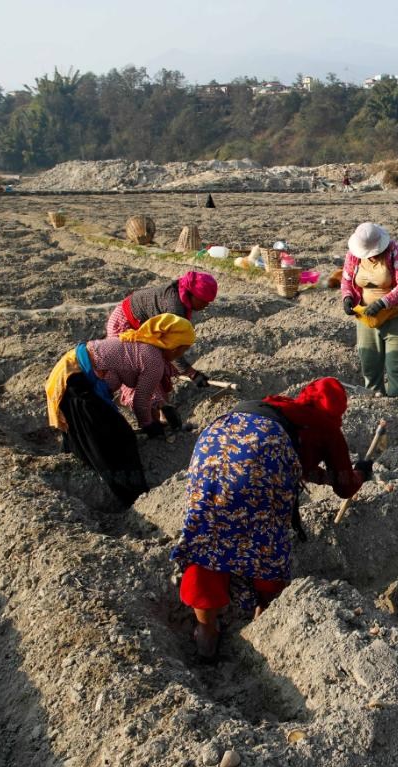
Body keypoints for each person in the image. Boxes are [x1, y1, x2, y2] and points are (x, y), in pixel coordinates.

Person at [170, 377, 372, 659]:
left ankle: (205, 629)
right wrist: (362, 472)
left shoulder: (279, 406)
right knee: (264, 539)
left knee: (209, 534)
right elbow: (345, 486)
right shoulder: (327, 425)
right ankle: (265, 612)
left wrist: (319, 476)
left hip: (214, 442)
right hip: (263, 456)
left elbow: (304, 465)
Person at [45, 314, 196, 506]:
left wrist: (159, 405)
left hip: (69, 369)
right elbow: (140, 401)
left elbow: (116, 380)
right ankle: (130, 496)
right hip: (73, 382)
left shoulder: (140, 344)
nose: (182, 355)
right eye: (184, 349)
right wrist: (150, 426)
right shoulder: (153, 360)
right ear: (174, 346)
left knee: (97, 425)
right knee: (120, 438)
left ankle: (81, 457)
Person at [106, 271, 218, 426]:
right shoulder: (174, 306)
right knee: (139, 371)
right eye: (204, 301)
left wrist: (189, 371)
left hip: (145, 328)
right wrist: (191, 373)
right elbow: (171, 347)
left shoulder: (181, 295)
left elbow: (170, 350)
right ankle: (152, 417)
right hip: (126, 324)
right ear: (192, 295)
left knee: (155, 367)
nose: (206, 305)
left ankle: (162, 410)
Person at [340, 222, 398, 397]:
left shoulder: (395, 251)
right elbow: (346, 280)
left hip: (395, 318)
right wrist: (347, 297)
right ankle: (374, 406)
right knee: (370, 366)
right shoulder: (354, 254)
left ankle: (397, 406)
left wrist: (382, 303)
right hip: (367, 317)